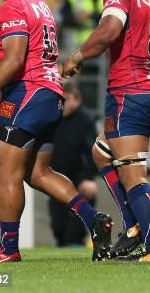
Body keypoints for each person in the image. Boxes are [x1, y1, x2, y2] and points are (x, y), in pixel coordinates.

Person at [0, 0, 112, 263]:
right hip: (50, 93)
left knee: (7, 173)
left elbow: (15, 59)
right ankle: (94, 219)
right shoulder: (37, 1)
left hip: (25, 94)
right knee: (38, 172)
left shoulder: (13, 6)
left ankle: (8, 248)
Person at [62, 0, 150, 263]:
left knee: (133, 174)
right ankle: (132, 227)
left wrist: (78, 55)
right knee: (100, 153)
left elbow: (109, 30)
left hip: (130, 94)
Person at [48, 82, 99, 247]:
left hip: (79, 174)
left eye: (66, 99)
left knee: (87, 191)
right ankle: (61, 240)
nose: (62, 104)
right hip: (55, 172)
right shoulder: (52, 117)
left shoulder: (85, 120)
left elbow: (92, 151)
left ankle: (76, 240)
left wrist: (88, 177)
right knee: (57, 212)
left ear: (77, 100)